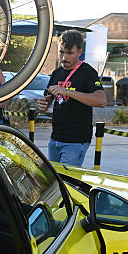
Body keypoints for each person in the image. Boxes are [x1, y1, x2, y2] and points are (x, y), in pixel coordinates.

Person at [37, 30, 106, 165]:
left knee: (67, 182)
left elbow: (101, 101)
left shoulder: (87, 72)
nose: (64, 58)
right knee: (56, 181)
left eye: (69, 53)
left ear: (79, 52)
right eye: (61, 52)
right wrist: (43, 104)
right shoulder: (56, 73)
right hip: (55, 137)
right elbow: (48, 101)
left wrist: (66, 91)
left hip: (76, 140)